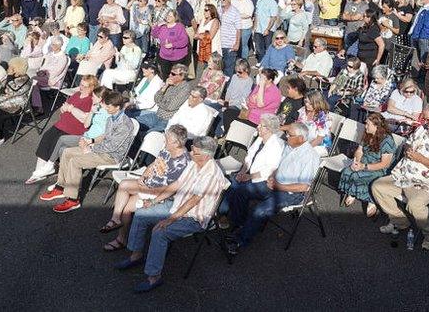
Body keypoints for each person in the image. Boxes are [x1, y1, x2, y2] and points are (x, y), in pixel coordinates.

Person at [115, 136, 229, 294]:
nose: (189, 153)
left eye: (194, 152)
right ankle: (136, 254)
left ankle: (154, 277)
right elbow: (176, 184)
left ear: (206, 156)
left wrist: (171, 219)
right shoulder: (194, 164)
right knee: (141, 214)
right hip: (176, 206)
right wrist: (155, 201)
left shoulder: (212, 174)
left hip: (193, 217)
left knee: (160, 232)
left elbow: (194, 201)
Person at [372, 103, 429, 251]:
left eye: (428, 119)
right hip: (403, 175)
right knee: (378, 186)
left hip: (424, 183)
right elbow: (408, 143)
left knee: (414, 205)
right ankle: (400, 221)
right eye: (424, 119)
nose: (425, 122)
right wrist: (408, 149)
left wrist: (419, 158)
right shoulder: (423, 129)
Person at [224, 122, 320, 254]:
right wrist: (272, 176)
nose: (286, 137)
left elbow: (303, 187)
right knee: (241, 191)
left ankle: (240, 240)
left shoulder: (310, 157)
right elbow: (278, 166)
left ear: (301, 139)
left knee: (260, 210)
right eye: (287, 134)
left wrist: (278, 185)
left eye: (289, 135)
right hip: (274, 184)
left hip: (291, 192)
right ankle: (241, 225)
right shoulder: (290, 146)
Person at [39, 91, 136, 212]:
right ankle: (61, 187)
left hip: (111, 156)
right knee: (67, 152)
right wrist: (90, 140)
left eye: (108, 106)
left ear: (117, 107)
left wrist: (90, 148)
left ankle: (73, 200)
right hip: (101, 148)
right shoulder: (112, 118)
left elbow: (112, 147)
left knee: (75, 161)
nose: (105, 108)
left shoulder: (125, 125)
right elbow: (105, 136)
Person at [101, 125, 190, 251]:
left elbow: (170, 189)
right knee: (125, 206)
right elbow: (155, 163)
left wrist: (149, 192)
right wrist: (143, 176)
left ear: (176, 143)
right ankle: (120, 233)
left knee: (124, 187)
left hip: (156, 191)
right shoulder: (168, 149)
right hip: (148, 184)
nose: (164, 141)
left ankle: (119, 231)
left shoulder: (182, 163)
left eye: (167, 139)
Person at [26, 75, 98, 184]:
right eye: (81, 84)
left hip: (73, 130)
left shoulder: (91, 101)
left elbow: (85, 118)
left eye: (84, 86)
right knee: (47, 137)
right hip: (61, 124)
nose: (81, 87)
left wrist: (71, 109)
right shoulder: (77, 94)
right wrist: (65, 108)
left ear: (92, 87)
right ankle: (39, 170)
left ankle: (46, 169)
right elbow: (64, 107)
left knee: (55, 141)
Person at [338, 112, 396, 217]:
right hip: (364, 162)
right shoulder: (368, 134)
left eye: (368, 124)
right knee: (347, 171)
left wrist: (364, 167)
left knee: (358, 175)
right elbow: (359, 150)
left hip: (379, 168)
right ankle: (354, 192)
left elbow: (385, 164)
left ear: (376, 126)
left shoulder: (387, 140)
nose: (365, 126)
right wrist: (357, 162)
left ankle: (372, 199)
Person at [134, 64, 194, 133]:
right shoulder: (170, 83)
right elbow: (156, 98)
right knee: (133, 123)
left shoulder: (185, 89)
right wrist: (165, 87)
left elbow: (170, 107)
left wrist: (160, 102)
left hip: (166, 120)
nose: (170, 76)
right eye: (170, 73)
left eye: (173, 74)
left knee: (147, 135)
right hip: (157, 114)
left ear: (182, 76)